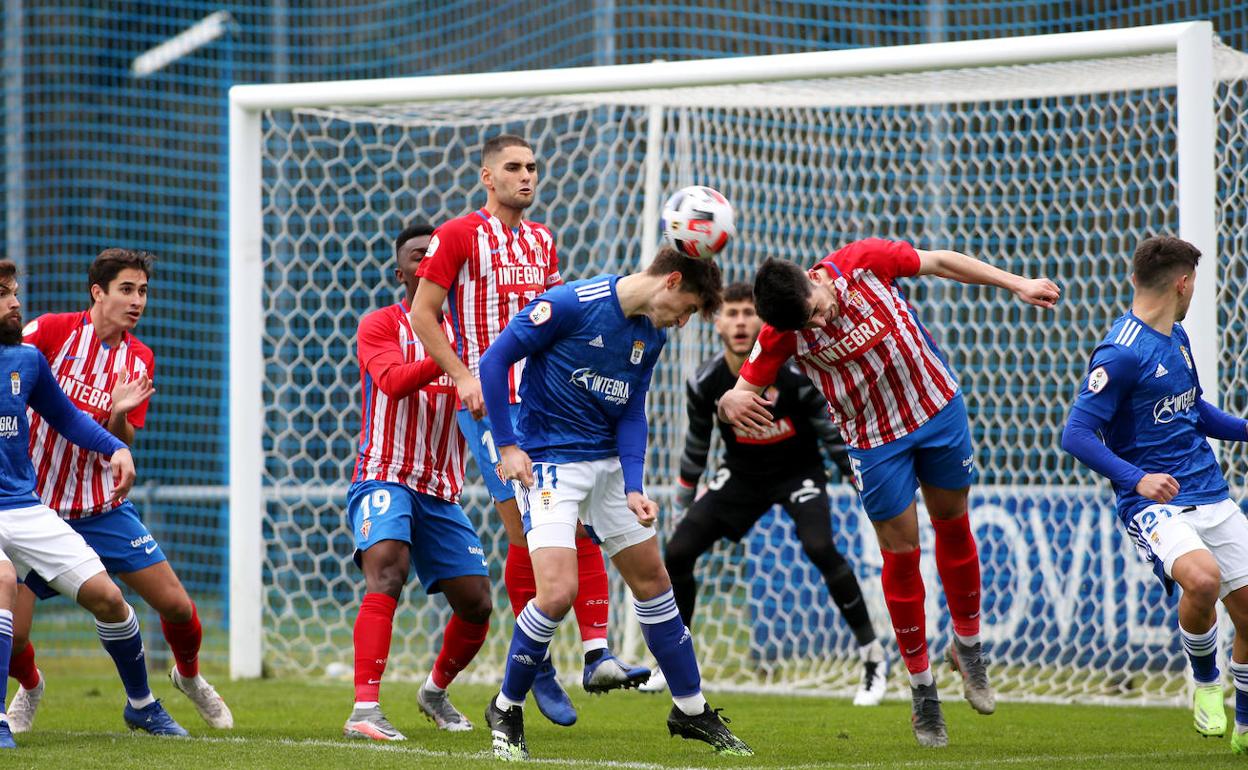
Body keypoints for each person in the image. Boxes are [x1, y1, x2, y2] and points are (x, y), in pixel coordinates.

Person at [719, 239, 1060, 747]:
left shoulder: (864, 262)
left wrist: (1017, 284)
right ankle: (922, 689)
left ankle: (968, 647)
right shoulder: (781, 333)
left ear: (816, 279)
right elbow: (741, 389)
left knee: (953, 524)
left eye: (814, 312)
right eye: (803, 327)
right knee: (901, 553)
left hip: (936, 410)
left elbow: (942, 262)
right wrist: (729, 402)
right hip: (874, 443)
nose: (815, 326)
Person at [478, 246, 751, 760]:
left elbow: (632, 414)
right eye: (689, 308)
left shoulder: (651, 335)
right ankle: (507, 705)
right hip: (550, 463)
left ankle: (691, 711)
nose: (686, 321)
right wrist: (509, 445)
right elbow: (494, 362)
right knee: (557, 593)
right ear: (671, 282)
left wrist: (632, 485)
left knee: (654, 581)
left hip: (607, 469)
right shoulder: (569, 305)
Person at [410, 134, 646, 726]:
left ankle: (595, 652)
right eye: (513, 168)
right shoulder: (459, 235)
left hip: (547, 398)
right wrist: (463, 375)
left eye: (532, 168)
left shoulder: (541, 239)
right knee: (528, 529)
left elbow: (551, 317)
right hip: (494, 405)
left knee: (571, 518)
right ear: (486, 177)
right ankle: (539, 661)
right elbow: (422, 313)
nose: (526, 177)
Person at [8, 249, 229, 733]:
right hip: (35, 507)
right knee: (15, 635)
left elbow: (123, 440)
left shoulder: (140, 357)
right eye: (127, 290)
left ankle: (189, 678)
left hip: (102, 508)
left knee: (178, 607)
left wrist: (120, 412)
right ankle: (31, 684)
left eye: (143, 291)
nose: (137, 301)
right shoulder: (49, 333)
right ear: (98, 292)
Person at [644, 281, 885, 703]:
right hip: (740, 477)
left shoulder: (794, 374)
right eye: (731, 313)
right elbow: (696, 448)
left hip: (799, 473)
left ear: (764, 320)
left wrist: (863, 489)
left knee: (821, 548)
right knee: (678, 553)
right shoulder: (705, 382)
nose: (740, 322)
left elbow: (831, 438)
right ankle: (675, 663)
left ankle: (872, 660)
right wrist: (683, 505)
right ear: (716, 322)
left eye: (748, 313)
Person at [1061, 236, 1248, 754]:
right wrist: (1136, 479)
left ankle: (1246, 725)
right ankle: (1207, 684)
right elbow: (1075, 434)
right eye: (1195, 283)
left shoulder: (1178, 336)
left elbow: (1195, 412)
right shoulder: (1120, 353)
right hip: (1155, 504)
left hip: (1210, 490)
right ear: (1183, 283)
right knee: (1203, 579)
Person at [343, 222, 493, 740]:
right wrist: (449, 359)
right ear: (401, 270)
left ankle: (433, 691)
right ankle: (364, 711)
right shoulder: (380, 324)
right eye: (417, 254)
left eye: (437, 253)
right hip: (384, 474)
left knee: (477, 604)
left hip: (442, 489)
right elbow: (391, 381)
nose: (429, 260)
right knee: (388, 570)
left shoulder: (475, 331)